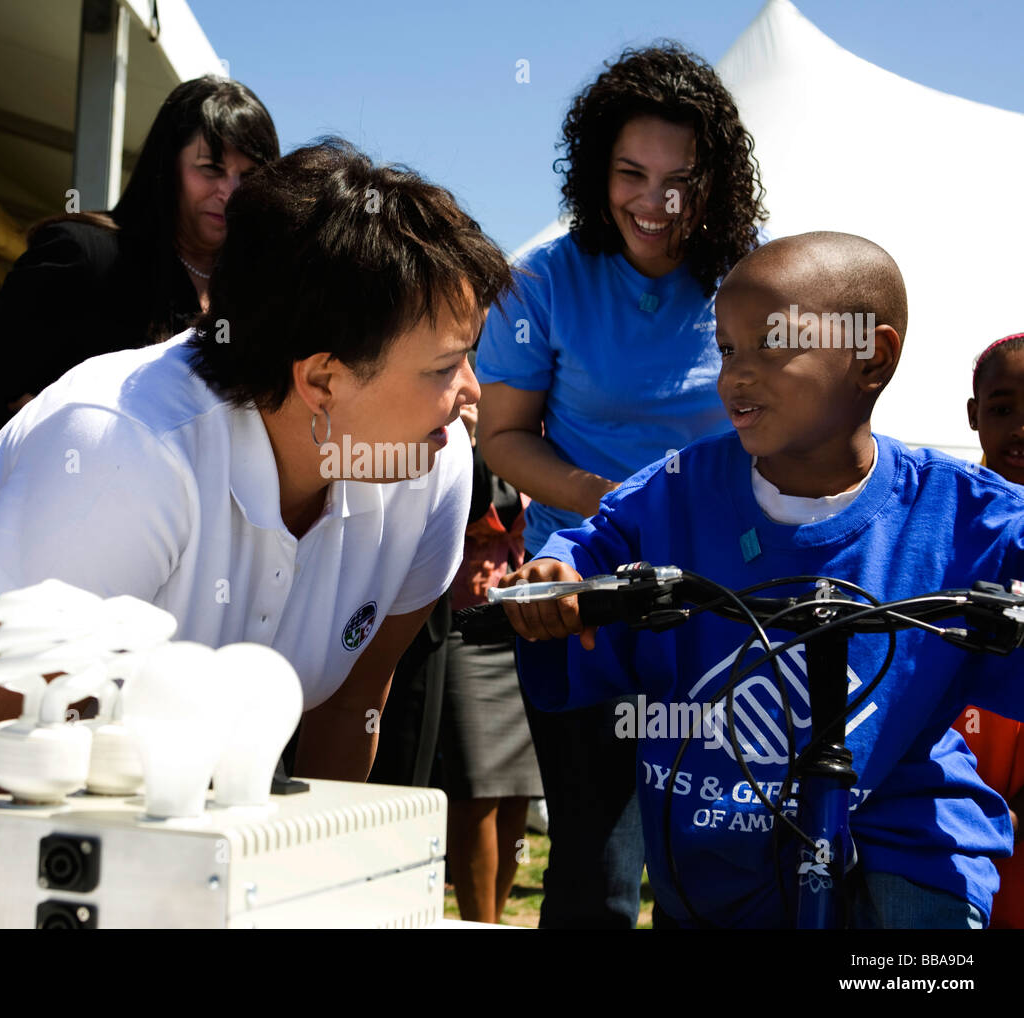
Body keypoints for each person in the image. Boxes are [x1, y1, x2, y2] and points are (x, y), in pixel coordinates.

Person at [0, 137, 514, 864]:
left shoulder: (432, 459)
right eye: (447, 366)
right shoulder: (121, 450)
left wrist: (311, 880)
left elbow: (352, 706)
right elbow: (10, 754)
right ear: (321, 380)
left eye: (472, 356)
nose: (473, 396)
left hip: (136, 712)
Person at [500, 231, 1024, 928]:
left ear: (873, 357)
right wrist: (559, 577)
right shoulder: (678, 490)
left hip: (903, 822)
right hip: (719, 828)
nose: (737, 376)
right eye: (726, 350)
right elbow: (594, 545)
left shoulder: (962, 509)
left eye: (771, 348)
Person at [475, 43, 766, 929]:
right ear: (597, 172)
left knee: (723, 851)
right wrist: (609, 502)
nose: (653, 201)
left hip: (727, 595)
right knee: (600, 864)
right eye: (630, 173)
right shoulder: (543, 279)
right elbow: (502, 437)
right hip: (580, 594)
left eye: (678, 179)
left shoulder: (753, 282)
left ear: (714, 185)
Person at [0, 75, 280, 482]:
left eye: (250, 177)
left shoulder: (259, 295)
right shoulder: (85, 258)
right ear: (167, 168)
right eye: (210, 169)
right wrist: (41, 440)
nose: (230, 191)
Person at [439, 396, 542, 924]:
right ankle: (478, 920)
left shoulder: (534, 440)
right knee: (476, 786)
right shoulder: (450, 438)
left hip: (523, 621)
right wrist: (471, 440)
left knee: (518, 787)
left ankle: (496, 917)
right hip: (464, 622)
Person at [954, 332, 1024, 928]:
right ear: (974, 415)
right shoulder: (940, 525)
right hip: (944, 813)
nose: (1022, 428)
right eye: (1003, 409)